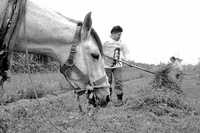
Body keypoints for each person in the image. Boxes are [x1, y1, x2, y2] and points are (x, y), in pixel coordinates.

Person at [103, 25, 129, 106]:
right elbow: (98, 51)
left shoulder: (121, 43)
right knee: (108, 82)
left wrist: (127, 60)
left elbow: (126, 53)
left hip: (117, 65)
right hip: (106, 66)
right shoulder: (105, 42)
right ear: (113, 34)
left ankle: (119, 100)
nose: (119, 36)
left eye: (120, 35)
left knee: (118, 82)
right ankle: (107, 100)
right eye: (118, 34)